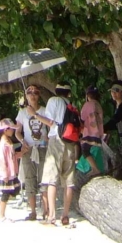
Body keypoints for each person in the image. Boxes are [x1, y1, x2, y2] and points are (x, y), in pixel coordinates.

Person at [26, 82, 77, 226]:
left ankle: (52, 216)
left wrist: (34, 114)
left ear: (56, 90)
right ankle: (65, 215)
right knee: (69, 181)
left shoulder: (54, 101)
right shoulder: (71, 104)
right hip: (70, 142)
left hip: (57, 140)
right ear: (68, 92)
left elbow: (50, 122)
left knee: (51, 179)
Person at [14, 84, 48, 221]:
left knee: (44, 178)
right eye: (30, 92)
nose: (33, 95)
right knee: (29, 179)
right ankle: (33, 211)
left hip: (42, 147)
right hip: (29, 149)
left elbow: (50, 126)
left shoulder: (45, 111)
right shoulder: (22, 113)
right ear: (26, 96)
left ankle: (46, 210)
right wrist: (23, 142)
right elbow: (17, 132)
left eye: (35, 92)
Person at [0, 118, 20, 221]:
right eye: (11, 129)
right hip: (5, 174)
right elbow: (1, 160)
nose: (13, 131)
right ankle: (1, 215)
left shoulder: (9, 141)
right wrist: (4, 175)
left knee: (15, 191)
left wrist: (20, 154)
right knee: (6, 193)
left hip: (11, 172)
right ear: (5, 130)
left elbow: (12, 156)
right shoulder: (3, 144)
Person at [77, 86, 105, 176]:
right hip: (97, 133)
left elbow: (82, 119)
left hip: (89, 132)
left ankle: (95, 168)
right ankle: (96, 168)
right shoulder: (98, 105)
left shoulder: (87, 105)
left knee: (85, 151)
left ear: (87, 95)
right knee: (93, 151)